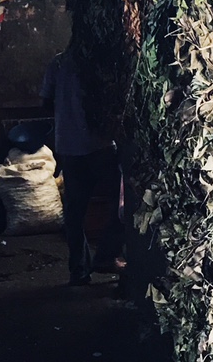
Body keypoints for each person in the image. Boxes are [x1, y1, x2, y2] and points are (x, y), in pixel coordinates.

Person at [41, 49, 122, 286]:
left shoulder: (57, 63)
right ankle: (106, 256)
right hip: (101, 145)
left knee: (74, 212)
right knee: (120, 203)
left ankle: (79, 270)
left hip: (69, 145)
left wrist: (67, 111)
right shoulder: (103, 60)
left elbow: (45, 101)